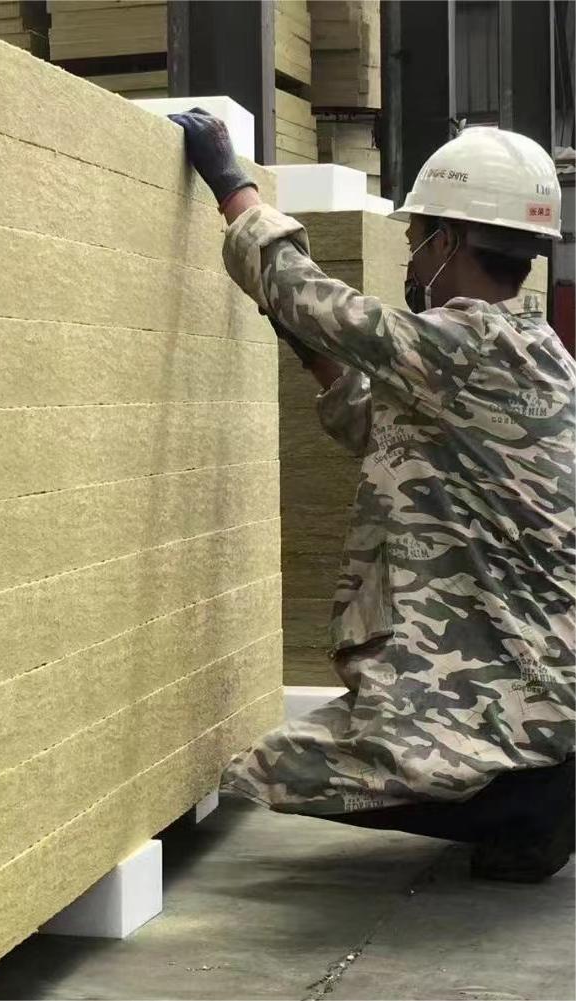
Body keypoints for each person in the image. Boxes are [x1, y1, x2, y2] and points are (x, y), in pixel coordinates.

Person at [168, 112, 576, 883]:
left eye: (416, 236)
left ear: (447, 241)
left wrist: (230, 184)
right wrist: (305, 342)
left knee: (271, 769)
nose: (411, 253)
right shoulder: (529, 353)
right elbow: (376, 424)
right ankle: (528, 789)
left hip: (525, 688)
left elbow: (305, 293)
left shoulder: (465, 343)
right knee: (300, 755)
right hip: (542, 676)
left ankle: (525, 796)